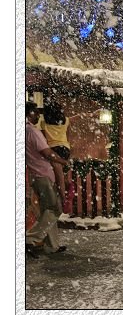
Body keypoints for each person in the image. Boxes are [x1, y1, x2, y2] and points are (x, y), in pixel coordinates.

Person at [25, 102, 70, 257]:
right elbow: (47, 153)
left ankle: (52, 246)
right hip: (43, 175)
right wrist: (63, 161)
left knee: (47, 210)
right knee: (55, 208)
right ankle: (29, 239)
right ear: (30, 113)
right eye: (36, 113)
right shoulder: (32, 131)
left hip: (35, 175)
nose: (39, 116)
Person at [40, 100, 99, 212]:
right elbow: (79, 116)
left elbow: (43, 138)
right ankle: (69, 189)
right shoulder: (64, 121)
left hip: (52, 149)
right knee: (63, 174)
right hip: (65, 149)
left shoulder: (43, 123)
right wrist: (93, 114)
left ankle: (63, 199)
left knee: (59, 177)